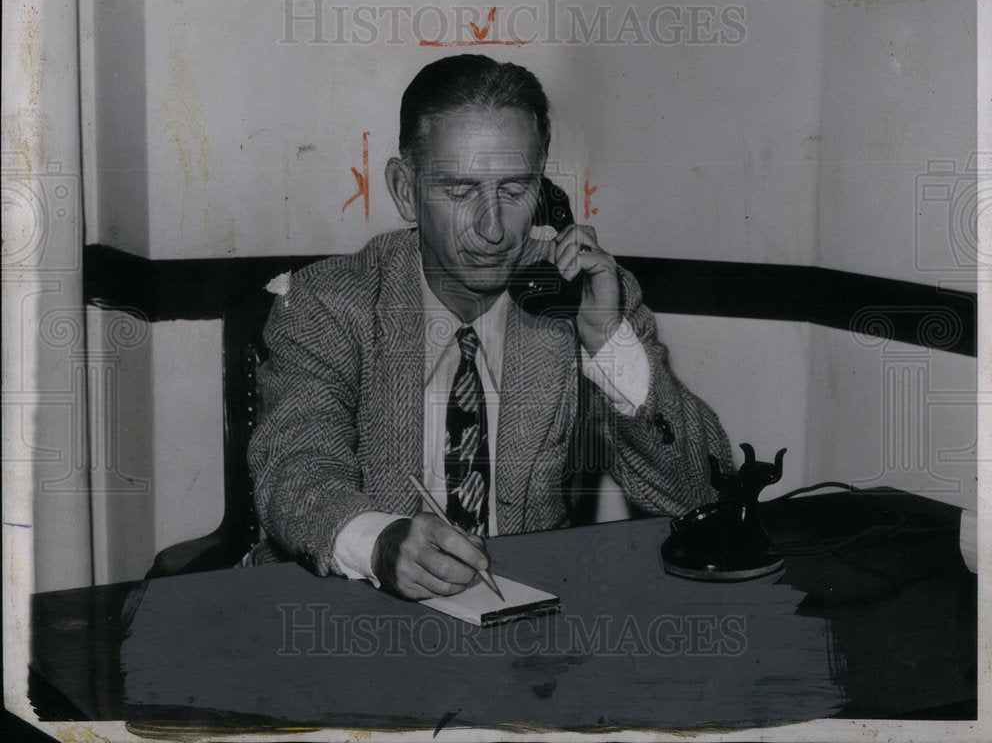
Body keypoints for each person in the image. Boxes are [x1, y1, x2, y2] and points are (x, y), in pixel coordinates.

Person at [246, 54, 731, 599]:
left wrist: (608, 344)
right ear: (405, 190)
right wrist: (380, 542)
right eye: (459, 191)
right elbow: (297, 470)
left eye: (515, 189)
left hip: (523, 630)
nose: (493, 228)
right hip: (347, 609)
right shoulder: (328, 303)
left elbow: (700, 493)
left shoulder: (585, 298)